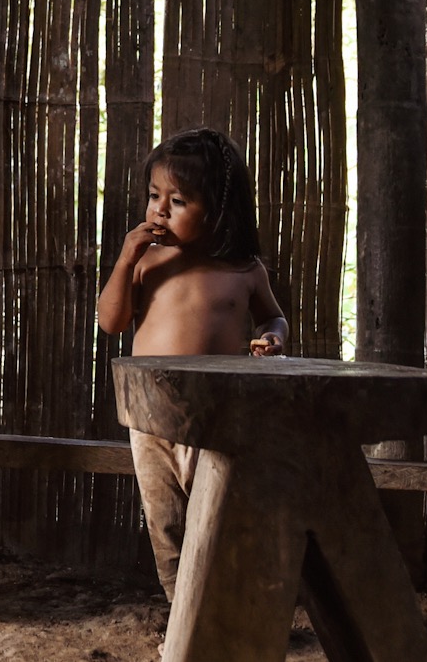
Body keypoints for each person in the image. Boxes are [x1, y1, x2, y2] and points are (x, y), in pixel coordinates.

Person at [96, 128, 288, 602]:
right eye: (154, 196)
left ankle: (222, 615)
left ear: (218, 210)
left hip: (215, 418)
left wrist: (272, 338)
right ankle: (184, 625)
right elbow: (111, 322)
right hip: (150, 419)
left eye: (177, 200)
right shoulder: (148, 264)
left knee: (218, 520)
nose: (158, 210)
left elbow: (274, 316)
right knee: (167, 528)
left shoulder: (244, 271)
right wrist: (125, 260)